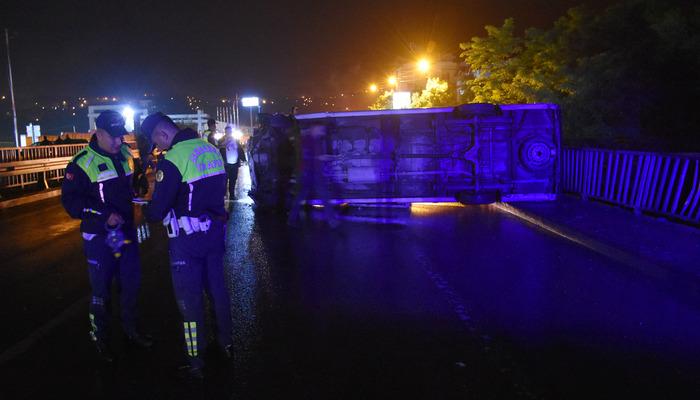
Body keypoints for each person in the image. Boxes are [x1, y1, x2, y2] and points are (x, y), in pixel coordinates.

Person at [139, 112, 232, 381]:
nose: (158, 147)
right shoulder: (211, 150)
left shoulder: (173, 159)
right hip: (214, 234)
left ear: (161, 134)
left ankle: (196, 362)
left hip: (186, 243)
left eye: (156, 142)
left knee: (189, 304)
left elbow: (158, 209)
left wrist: (148, 211)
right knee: (218, 293)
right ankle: (226, 345)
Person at [60, 110, 153, 363]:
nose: (118, 141)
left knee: (131, 284)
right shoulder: (81, 163)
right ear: (98, 132)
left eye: (120, 136)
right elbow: (70, 202)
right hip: (99, 237)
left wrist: (139, 187)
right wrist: (103, 215)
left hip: (125, 233)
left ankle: (130, 330)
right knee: (101, 291)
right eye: (112, 137)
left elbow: (130, 182)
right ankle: (100, 338)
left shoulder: (125, 154)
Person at [287, 124, 338, 228]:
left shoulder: (308, 140)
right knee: (324, 196)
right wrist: (334, 157)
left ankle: (291, 219)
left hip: (308, 173)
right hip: (312, 173)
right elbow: (318, 157)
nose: (322, 131)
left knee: (301, 196)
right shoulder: (311, 141)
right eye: (320, 129)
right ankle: (332, 220)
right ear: (314, 129)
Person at [222, 125, 247, 200]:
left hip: (235, 164)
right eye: (227, 131)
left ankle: (232, 194)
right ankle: (223, 195)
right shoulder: (221, 140)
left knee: (233, 180)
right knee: (224, 180)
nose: (229, 133)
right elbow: (217, 149)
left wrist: (244, 160)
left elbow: (240, 150)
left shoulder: (235, 140)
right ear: (225, 132)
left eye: (230, 131)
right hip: (225, 165)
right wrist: (223, 144)